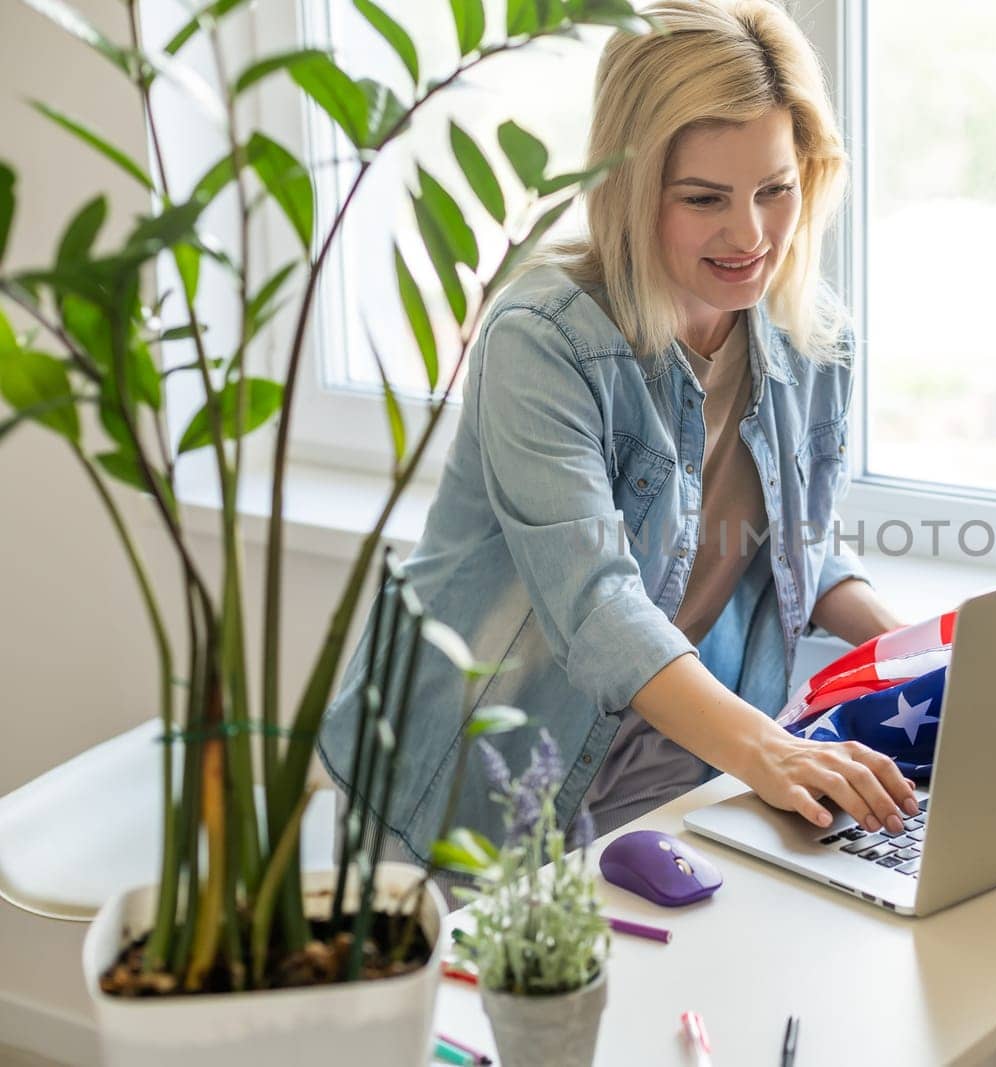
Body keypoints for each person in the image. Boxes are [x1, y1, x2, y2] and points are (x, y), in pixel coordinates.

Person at [316, 0, 920, 863]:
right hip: (475, 785)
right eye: (706, 198)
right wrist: (775, 751)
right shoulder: (546, 338)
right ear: (634, 191)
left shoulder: (812, 339)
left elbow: (784, 544)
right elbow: (597, 605)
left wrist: (918, 654)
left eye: (775, 189)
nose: (751, 235)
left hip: (679, 769)